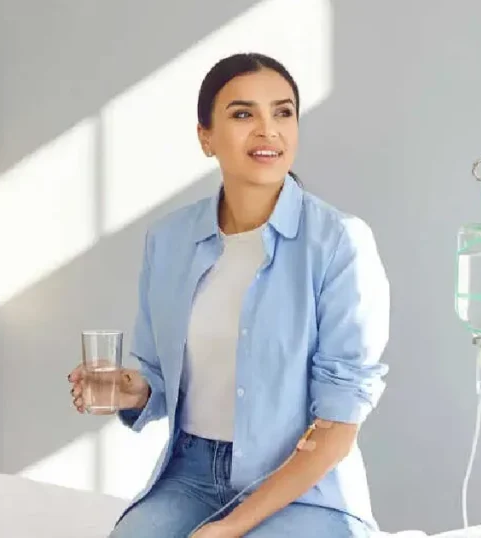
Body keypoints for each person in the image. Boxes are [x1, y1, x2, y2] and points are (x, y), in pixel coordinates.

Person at [68, 52, 390, 538]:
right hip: (192, 475)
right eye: (243, 114)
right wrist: (131, 388)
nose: (268, 131)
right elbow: (158, 373)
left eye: (283, 113)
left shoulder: (340, 242)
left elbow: (338, 427)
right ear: (206, 138)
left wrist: (228, 528)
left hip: (302, 483)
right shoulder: (169, 239)